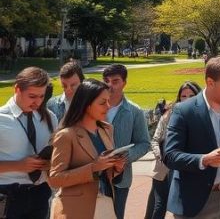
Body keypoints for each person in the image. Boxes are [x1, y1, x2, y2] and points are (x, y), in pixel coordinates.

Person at [164, 56, 220, 219]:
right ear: (210, 82)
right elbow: (170, 156)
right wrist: (204, 160)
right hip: (194, 201)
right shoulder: (184, 111)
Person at [48, 78, 126, 219]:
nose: (108, 106)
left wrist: (116, 168)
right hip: (76, 209)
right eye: (102, 103)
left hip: (106, 203)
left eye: (108, 101)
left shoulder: (106, 129)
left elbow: (103, 173)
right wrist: (93, 168)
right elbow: (55, 179)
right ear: (86, 105)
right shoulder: (66, 135)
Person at [0, 67, 58, 218]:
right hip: (8, 195)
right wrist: (18, 166)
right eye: (32, 96)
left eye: (41, 96)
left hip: (40, 193)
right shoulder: (1, 119)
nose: (37, 102)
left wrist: (49, 164)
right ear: (17, 89)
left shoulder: (50, 118)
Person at [146, 81, 201, 219]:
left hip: (188, 169)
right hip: (165, 167)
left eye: (191, 95)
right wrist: (163, 158)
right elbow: (155, 140)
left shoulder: (203, 116)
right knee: (160, 204)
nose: (187, 99)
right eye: (184, 96)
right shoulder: (170, 114)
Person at [102, 63, 151, 219]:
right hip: (94, 173)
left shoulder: (134, 111)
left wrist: (125, 157)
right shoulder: (92, 107)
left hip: (120, 176)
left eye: (115, 81)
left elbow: (144, 143)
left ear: (124, 83)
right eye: (106, 81)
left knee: (115, 215)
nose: (110, 85)